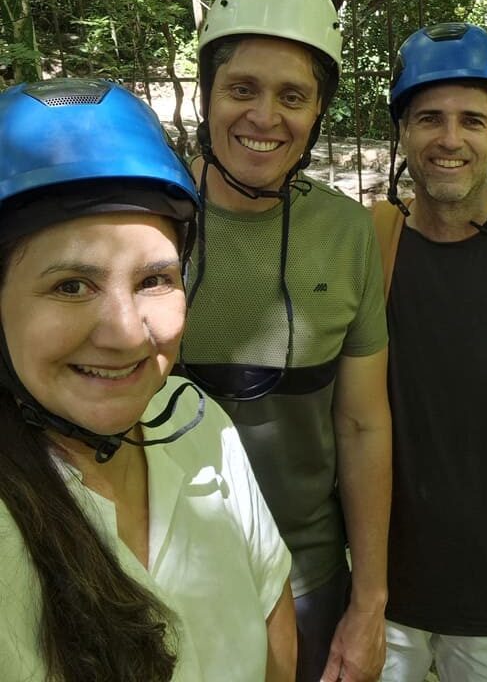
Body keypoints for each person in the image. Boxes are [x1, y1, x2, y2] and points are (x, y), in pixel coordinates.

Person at [0, 77, 295, 682]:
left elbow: (273, 621)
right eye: (71, 286)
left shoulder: (196, 421)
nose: (129, 334)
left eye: (154, 280)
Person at [182, 0, 391, 682]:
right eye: (241, 88)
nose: (264, 117)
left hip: (306, 582)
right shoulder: (146, 219)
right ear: (206, 96)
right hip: (161, 582)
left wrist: (368, 605)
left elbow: (362, 424)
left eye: (291, 97)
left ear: (317, 113)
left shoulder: (344, 231)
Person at [373, 22, 487, 682]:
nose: (449, 140)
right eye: (428, 118)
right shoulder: (369, 246)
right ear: (402, 132)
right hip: (379, 596)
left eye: (470, 120)